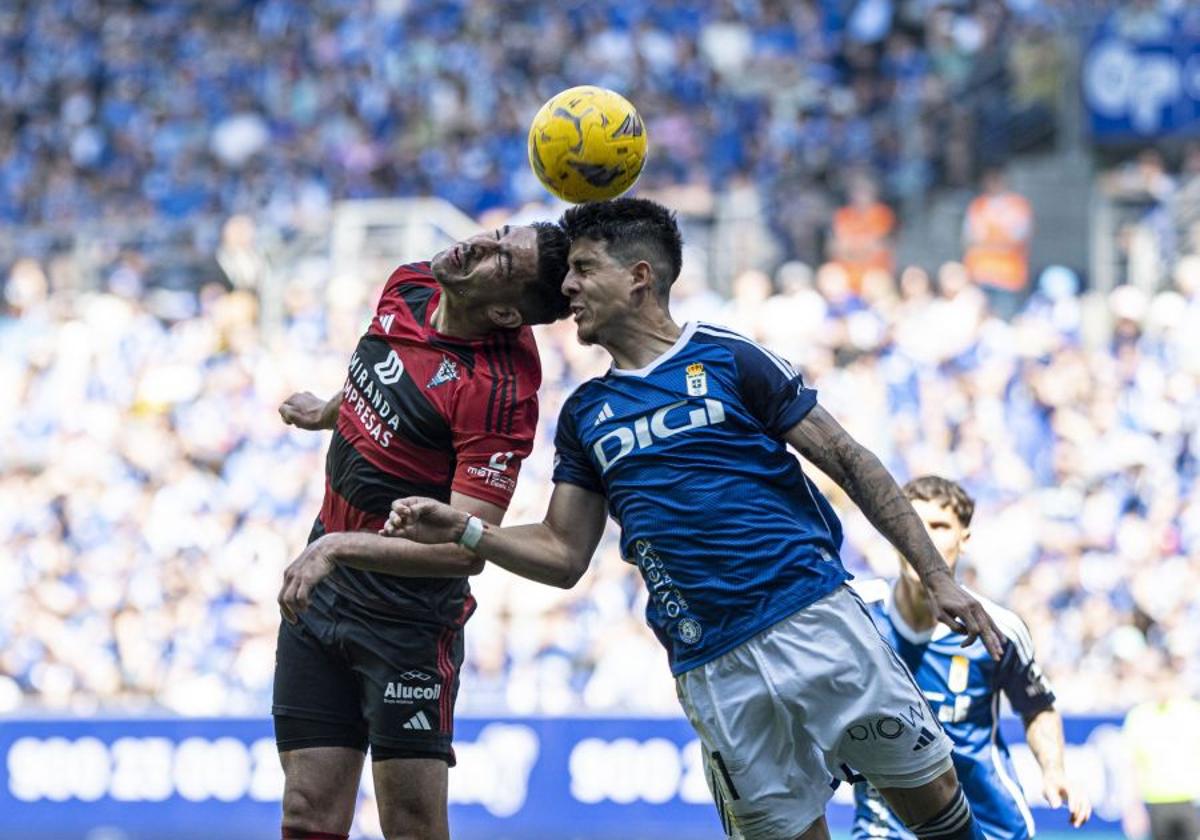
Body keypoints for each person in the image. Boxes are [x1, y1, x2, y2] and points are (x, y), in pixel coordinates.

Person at [384, 197, 1005, 840]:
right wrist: (466, 529)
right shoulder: (585, 414)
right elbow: (564, 555)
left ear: (640, 276)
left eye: (583, 268)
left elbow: (848, 459)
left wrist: (937, 577)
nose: (566, 288)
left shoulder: (729, 358)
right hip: (711, 665)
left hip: (814, 619)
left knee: (938, 811)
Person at [272, 222, 570, 840]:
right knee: (307, 812)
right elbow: (385, 367)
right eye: (497, 234)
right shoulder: (411, 281)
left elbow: (465, 552)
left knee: (409, 825)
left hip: (405, 620)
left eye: (499, 259)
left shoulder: (500, 393)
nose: (478, 245)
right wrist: (327, 411)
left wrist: (335, 548)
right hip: (322, 593)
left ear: (506, 310)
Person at [851, 476, 1091, 840]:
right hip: (885, 827)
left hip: (986, 824)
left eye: (939, 526)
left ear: (964, 540)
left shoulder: (998, 629)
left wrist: (1054, 770)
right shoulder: (855, 616)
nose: (923, 538)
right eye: (912, 523)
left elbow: (1037, 705)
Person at [1121, 673, 1200, 840]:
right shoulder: (1139, 716)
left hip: (1190, 800)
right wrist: (1133, 806)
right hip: (1156, 802)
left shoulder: (1192, 712)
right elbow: (1132, 764)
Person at [962, 168, 1033, 320]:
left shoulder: (1017, 205)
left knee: (1004, 321)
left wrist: (990, 241)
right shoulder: (978, 205)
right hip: (981, 272)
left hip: (1007, 275)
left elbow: (1018, 236)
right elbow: (970, 237)